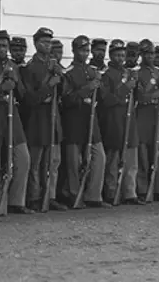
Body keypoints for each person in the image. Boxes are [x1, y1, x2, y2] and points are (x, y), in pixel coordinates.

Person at [0, 30, 34, 215]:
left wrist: (15, 82)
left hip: (12, 114)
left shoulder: (13, 65)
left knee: (22, 158)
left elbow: (23, 95)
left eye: (5, 46)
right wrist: (1, 85)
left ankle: (16, 201)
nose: (3, 49)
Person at [21, 28, 67, 212]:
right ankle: (34, 196)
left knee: (53, 162)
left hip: (53, 118)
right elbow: (30, 99)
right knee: (36, 162)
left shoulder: (55, 65)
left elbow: (63, 92)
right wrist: (49, 85)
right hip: (37, 120)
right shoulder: (30, 67)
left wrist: (59, 78)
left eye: (49, 42)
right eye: (43, 42)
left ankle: (50, 195)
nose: (47, 45)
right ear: (35, 43)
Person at [60, 35, 108, 208]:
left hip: (91, 118)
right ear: (73, 51)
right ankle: (74, 194)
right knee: (74, 161)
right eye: (82, 50)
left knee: (99, 156)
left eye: (87, 50)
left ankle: (93, 195)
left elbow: (102, 98)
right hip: (74, 119)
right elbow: (66, 100)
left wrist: (99, 86)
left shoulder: (93, 71)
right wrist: (86, 89)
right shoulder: (69, 72)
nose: (85, 53)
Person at [101, 39, 142, 205]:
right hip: (114, 121)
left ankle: (130, 192)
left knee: (131, 160)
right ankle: (111, 192)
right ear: (111, 55)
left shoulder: (129, 72)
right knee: (113, 160)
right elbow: (107, 99)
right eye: (117, 55)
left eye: (122, 55)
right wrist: (125, 88)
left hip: (129, 120)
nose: (120, 58)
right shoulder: (107, 74)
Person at [135, 39, 159, 202]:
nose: (150, 56)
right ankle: (143, 190)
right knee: (143, 156)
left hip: (156, 114)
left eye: (152, 53)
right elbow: (141, 96)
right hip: (143, 115)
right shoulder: (137, 72)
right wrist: (156, 94)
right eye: (147, 53)